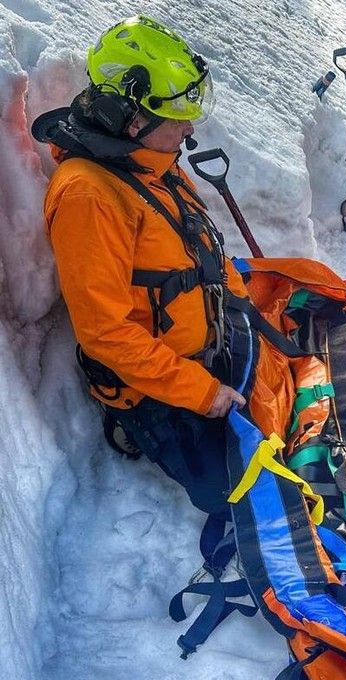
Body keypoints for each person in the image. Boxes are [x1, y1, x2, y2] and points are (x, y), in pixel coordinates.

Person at [32, 15, 294, 514]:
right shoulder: (90, 197)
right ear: (131, 119)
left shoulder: (150, 162)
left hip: (208, 346)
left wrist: (243, 308)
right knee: (250, 494)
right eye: (177, 119)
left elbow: (196, 249)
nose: (189, 129)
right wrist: (204, 394)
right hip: (160, 387)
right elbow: (105, 333)